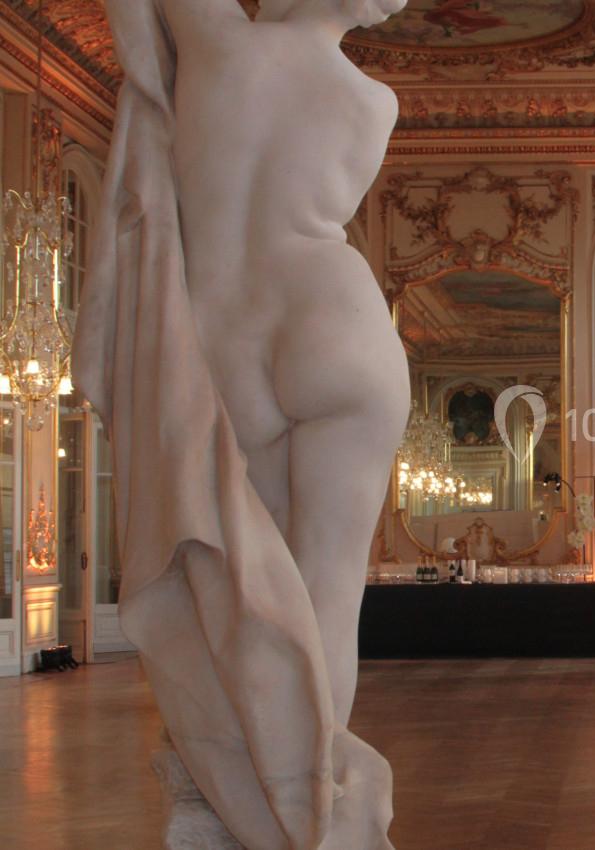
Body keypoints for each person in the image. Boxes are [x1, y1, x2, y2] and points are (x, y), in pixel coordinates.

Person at [71, 1, 408, 847]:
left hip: (225, 340)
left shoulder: (213, 38)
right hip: (339, 325)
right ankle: (311, 809)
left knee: (240, 591)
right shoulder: (376, 101)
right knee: (327, 596)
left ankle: (244, 794)